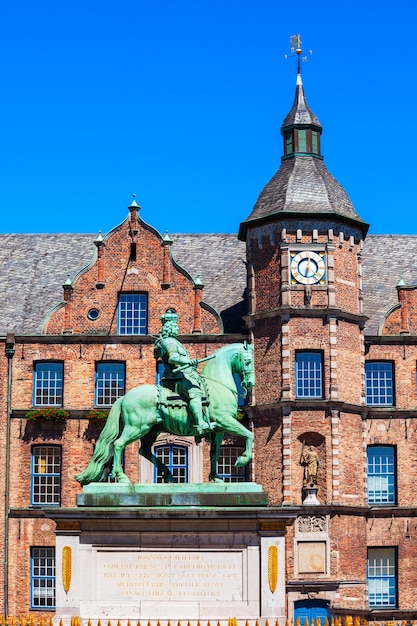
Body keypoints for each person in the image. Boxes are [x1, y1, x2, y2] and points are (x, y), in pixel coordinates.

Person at [154, 308, 212, 435]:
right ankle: (200, 423)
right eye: (175, 326)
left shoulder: (173, 341)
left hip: (181, 375)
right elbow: (173, 358)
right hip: (176, 377)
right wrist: (188, 362)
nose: (177, 328)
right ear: (170, 327)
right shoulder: (169, 342)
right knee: (195, 393)